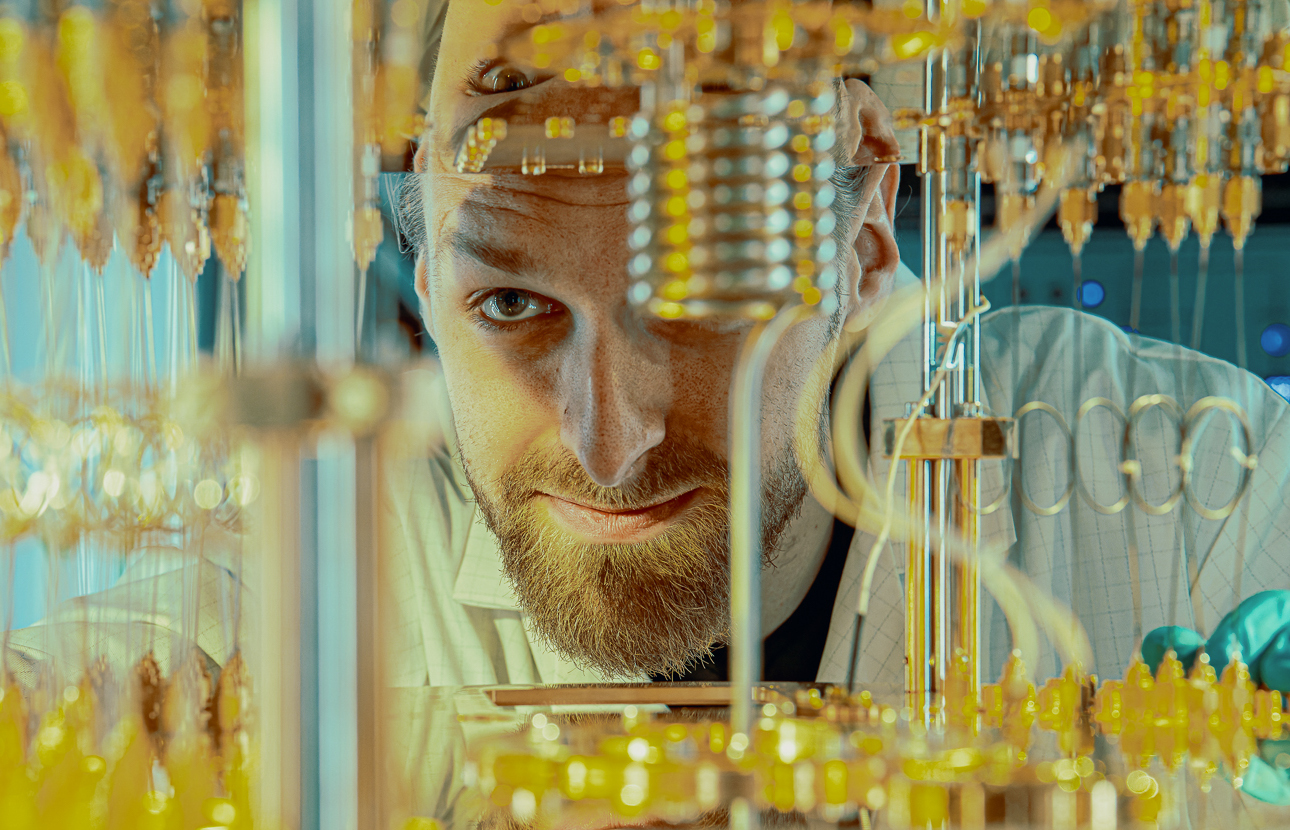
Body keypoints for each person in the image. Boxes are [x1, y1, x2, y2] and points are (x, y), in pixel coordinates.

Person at [8, 0, 1290, 820]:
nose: (607, 434)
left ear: (855, 234)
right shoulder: (330, 561)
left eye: (702, 292)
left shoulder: (1170, 480)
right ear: (421, 263)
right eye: (513, 304)